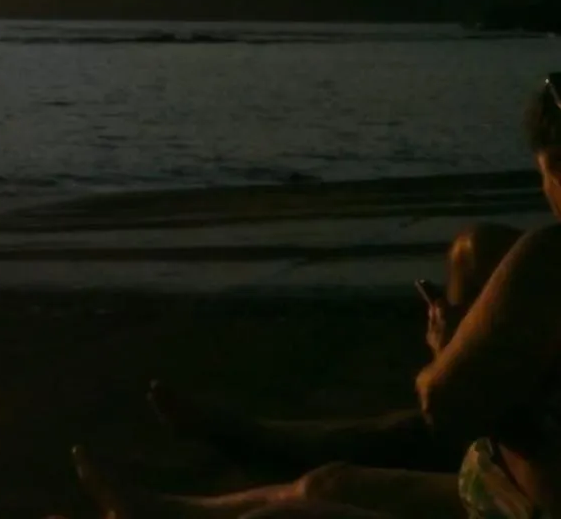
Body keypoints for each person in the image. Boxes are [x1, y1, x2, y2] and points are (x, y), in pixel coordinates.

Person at [70, 73, 561, 519]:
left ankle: (252, 444)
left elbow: (445, 407)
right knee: (328, 484)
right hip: (498, 487)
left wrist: (448, 346)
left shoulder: (549, 255)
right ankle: (173, 509)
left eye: (546, 172)